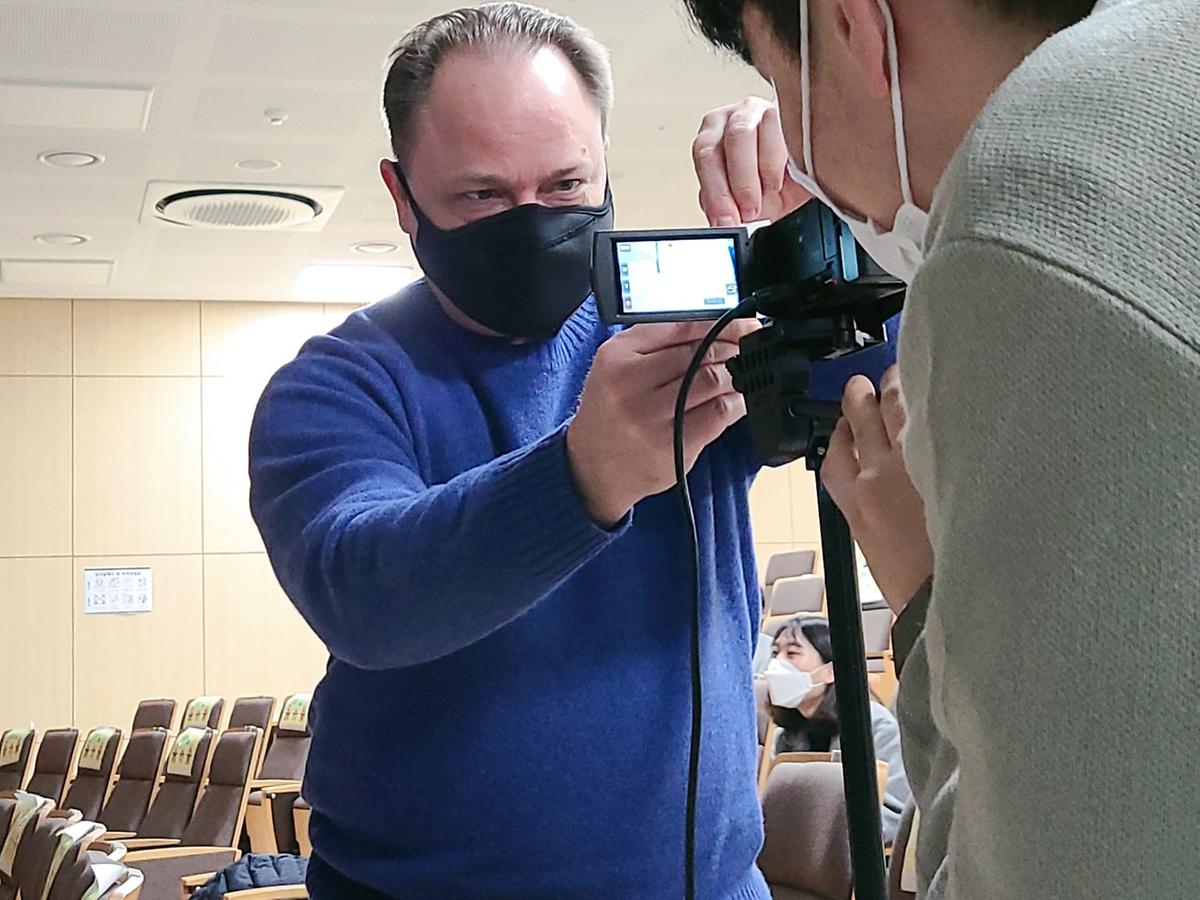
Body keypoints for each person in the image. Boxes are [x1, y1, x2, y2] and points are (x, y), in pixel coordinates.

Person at [250, 4, 770, 898]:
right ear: (402, 195)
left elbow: (902, 397)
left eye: (566, 184)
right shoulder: (336, 386)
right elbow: (365, 592)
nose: (532, 223)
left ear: (605, 163)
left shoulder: (684, 333)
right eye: (482, 196)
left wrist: (848, 215)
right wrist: (584, 475)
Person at [682, 0, 1200, 897]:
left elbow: (1039, 871)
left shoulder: (1020, 221)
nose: (796, 153)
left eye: (778, 80)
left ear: (851, 24)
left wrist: (923, 594)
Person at [762, 616, 911, 842]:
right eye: (775, 653)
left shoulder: (873, 725)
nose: (778, 664)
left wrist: (823, 833)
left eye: (792, 653)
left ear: (830, 671)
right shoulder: (785, 735)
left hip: (851, 852)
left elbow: (894, 813)